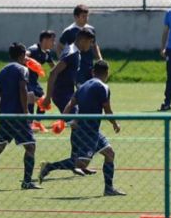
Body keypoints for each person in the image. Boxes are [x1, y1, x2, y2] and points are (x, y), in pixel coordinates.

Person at [39, 60, 126, 196]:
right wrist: (115, 124)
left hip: (87, 128)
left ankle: (108, 189)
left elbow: (70, 104)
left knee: (109, 153)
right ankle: (50, 166)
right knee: (81, 164)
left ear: (93, 72)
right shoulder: (103, 87)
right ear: (107, 73)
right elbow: (107, 110)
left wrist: (64, 120)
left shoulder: (83, 86)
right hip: (88, 130)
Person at [0, 43, 41, 190]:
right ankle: (26, 182)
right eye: (25, 55)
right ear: (20, 56)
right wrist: (25, 112)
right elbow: (22, 90)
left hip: (6, 117)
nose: (27, 58)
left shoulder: (2, 71)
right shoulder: (23, 70)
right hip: (19, 116)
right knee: (30, 147)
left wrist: (3, 112)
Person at [42, 29, 97, 176]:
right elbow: (54, 72)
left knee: (77, 125)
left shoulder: (75, 52)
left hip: (68, 93)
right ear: (83, 40)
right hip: (61, 95)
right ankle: (64, 164)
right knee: (78, 125)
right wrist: (48, 97)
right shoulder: (72, 53)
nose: (91, 46)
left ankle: (76, 163)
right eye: (90, 42)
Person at [57, 4, 103, 85]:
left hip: (89, 66)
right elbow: (59, 47)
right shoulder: (69, 31)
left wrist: (100, 59)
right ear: (76, 17)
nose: (86, 19)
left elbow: (94, 45)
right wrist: (64, 63)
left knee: (91, 88)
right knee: (81, 89)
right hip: (77, 68)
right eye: (83, 16)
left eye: (87, 16)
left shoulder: (91, 29)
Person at [26, 30, 57, 133]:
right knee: (30, 97)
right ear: (45, 40)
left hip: (34, 81)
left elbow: (54, 67)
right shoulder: (34, 49)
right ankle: (29, 124)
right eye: (52, 40)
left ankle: (37, 123)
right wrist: (33, 63)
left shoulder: (47, 53)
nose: (54, 43)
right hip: (25, 80)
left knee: (45, 101)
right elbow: (24, 56)